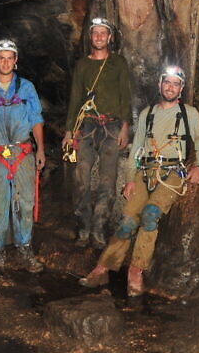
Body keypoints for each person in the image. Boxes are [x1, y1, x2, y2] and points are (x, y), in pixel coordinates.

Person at [79, 65, 199, 297]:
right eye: (166, 82)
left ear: (181, 88)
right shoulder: (148, 113)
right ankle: (102, 268)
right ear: (160, 85)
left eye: (175, 83)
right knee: (128, 221)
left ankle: (135, 271)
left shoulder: (189, 113)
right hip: (144, 172)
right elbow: (136, 148)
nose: (170, 87)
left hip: (171, 174)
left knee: (149, 215)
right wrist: (130, 179)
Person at [0, 39, 46, 273]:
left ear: (15, 61)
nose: (5, 62)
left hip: (22, 151)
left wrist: (41, 150)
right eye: (1, 57)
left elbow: (35, 119)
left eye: (9, 57)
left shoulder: (27, 88)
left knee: (25, 202)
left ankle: (25, 246)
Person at [62, 17, 132, 249]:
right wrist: (69, 131)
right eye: (96, 33)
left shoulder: (118, 63)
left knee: (107, 179)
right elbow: (75, 99)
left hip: (111, 126)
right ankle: (83, 227)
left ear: (109, 38)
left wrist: (125, 127)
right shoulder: (82, 65)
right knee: (81, 177)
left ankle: (99, 229)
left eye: (104, 33)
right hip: (87, 125)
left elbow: (125, 96)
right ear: (90, 37)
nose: (100, 37)